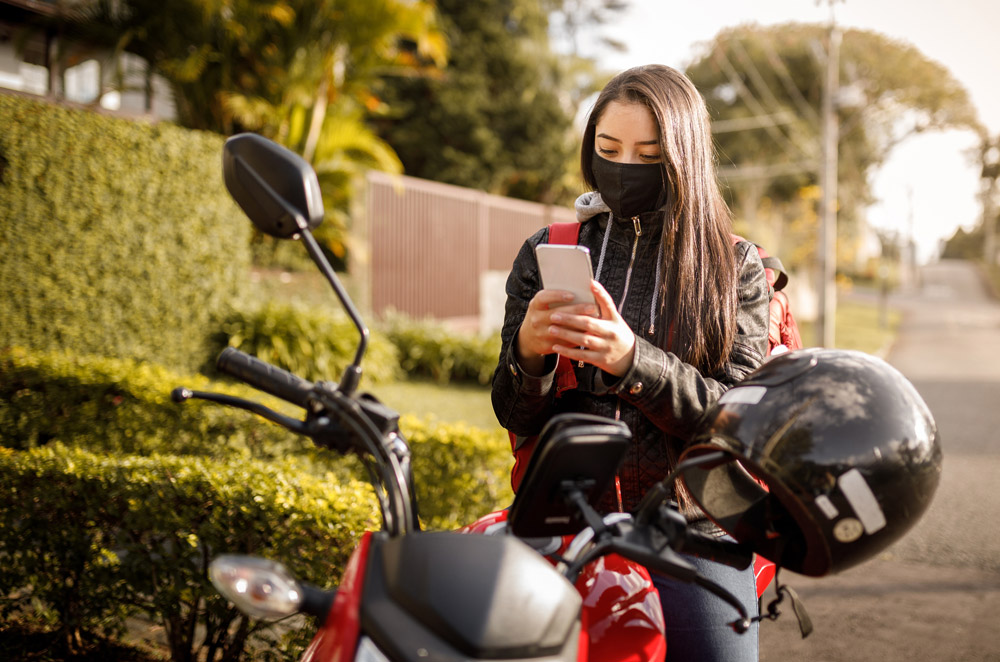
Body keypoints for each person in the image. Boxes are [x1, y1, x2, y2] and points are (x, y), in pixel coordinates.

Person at [491, 64, 771, 661]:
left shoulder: (736, 267)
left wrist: (631, 361)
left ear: (683, 156)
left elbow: (740, 420)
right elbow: (511, 410)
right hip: (564, 519)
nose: (624, 169)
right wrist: (529, 356)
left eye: (648, 153)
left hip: (696, 534)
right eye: (608, 148)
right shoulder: (552, 249)